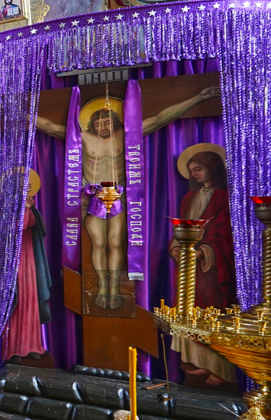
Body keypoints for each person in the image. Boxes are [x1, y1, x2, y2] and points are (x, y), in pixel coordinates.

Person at [36, 85, 221, 310]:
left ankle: (114, 289)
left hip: (118, 197)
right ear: (90, 125)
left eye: (106, 121)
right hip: (94, 197)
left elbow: (161, 118)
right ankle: (102, 288)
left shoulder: (127, 136)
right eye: (97, 123)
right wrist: (24, 114)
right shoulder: (83, 138)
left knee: (115, 243)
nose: (102, 126)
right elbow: (50, 126)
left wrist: (198, 96)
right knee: (99, 243)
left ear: (116, 121)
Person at [169, 149, 236, 386]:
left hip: (211, 266)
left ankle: (220, 370)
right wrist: (176, 247)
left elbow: (224, 233)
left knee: (214, 311)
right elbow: (182, 226)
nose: (193, 174)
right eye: (191, 170)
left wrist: (203, 251)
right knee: (189, 309)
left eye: (198, 169)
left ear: (212, 169)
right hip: (189, 266)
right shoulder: (189, 197)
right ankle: (197, 363)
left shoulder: (223, 197)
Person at [2, 189, 51, 361]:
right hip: (14, 261)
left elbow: (35, 225)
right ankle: (14, 349)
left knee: (31, 300)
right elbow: (15, 229)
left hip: (30, 259)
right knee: (17, 301)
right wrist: (24, 209)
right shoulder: (4, 207)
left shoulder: (28, 207)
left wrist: (29, 209)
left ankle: (32, 346)